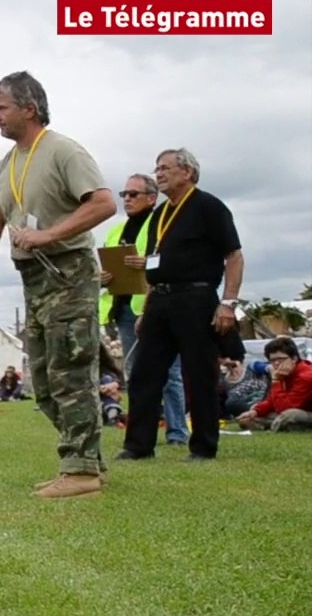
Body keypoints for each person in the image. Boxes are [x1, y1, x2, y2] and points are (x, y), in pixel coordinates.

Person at [0, 70, 117, 498]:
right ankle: (87, 460)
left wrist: (50, 234)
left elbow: (104, 203)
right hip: (33, 277)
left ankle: (81, 471)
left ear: (28, 109)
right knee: (44, 380)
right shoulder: (7, 163)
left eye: (2, 108)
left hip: (68, 271)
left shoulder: (64, 151)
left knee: (70, 369)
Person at [115, 149, 245, 463]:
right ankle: (138, 445)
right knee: (145, 373)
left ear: (187, 172)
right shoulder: (160, 214)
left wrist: (228, 303)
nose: (159, 174)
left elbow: (234, 256)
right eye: (156, 169)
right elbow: (154, 263)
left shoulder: (209, 207)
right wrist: (146, 309)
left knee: (199, 373)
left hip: (196, 298)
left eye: (165, 168)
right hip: (160, 297)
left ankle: (202, 446)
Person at [97, 173, 189, 446]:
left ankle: (177, 432)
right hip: (124, 309)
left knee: (169, 372)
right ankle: (139, 431)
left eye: (133, 194)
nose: (127, 199)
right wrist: (103, 277)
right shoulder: (116, 231)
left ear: (152, 197)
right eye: (124, 194)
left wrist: (147, 263)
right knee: (135, 372)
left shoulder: (163, 222)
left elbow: (174, 258)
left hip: (157, 306)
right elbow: (108, 264)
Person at [236, 337, 312, 431]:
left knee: (290, 414)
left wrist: (276, 381)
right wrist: (255, 411)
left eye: (281, 359)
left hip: (303, 412)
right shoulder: (285, 372)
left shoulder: (306, 375)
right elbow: (272, 401)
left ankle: (273, 427)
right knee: (254, 409)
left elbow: (284, 408)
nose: (276, 363)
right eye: (272, 360)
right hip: (290, 409)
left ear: (294, 359)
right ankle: (279, 425)